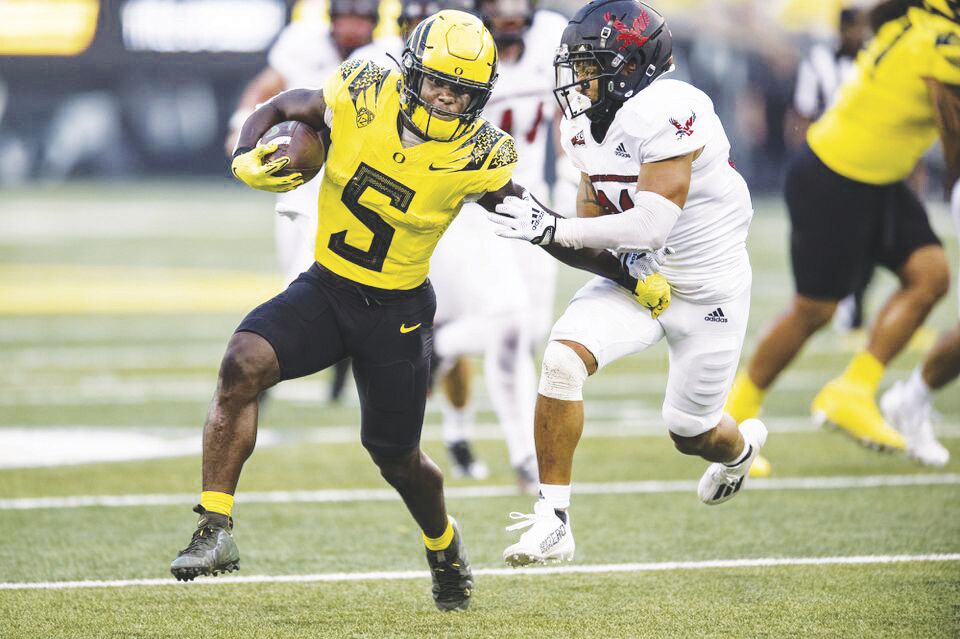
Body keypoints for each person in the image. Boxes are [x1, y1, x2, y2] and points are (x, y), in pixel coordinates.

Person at [169, 10, 529, 611]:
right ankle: (215, 527)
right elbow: (286, 106)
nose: (444, 100)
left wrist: (615, 262)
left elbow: (533, 219)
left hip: (400, 313)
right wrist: (242, 153)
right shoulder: (365, 86)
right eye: (437, 81)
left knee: (397, 458)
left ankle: (443, 545)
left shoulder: (483, 153)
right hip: (329, 289)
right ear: (412, 70)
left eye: (460, 90)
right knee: (242, 362)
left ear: (480, 95)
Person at [488, 0, 768, 566]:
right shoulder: (583, 124)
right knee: (562, 361)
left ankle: (740, 452)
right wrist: (559, 236)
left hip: (709, 291)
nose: (580, 79)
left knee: (692, 432)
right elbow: (591, 230)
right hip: (641, 279)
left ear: (634, 65)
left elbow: (651, 220)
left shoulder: (671, 107)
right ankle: (553, 521)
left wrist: (557, 227)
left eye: (592, 66)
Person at [725, 0, 960, 457]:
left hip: (876, 176)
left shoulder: (921, 22)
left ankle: (853, 389)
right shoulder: (941, 43)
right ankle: (732, 420)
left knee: (931, 275)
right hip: (836, 175)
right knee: (813, 311)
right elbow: (954, 138)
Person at [226, 0, 380, 402]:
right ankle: (339, 359)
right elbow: (267, 87)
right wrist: (238, 129)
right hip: (301, 179)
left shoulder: (382, 58)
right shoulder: (302, 42)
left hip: (353, 182)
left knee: (309, 276)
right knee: (295, 272)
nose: (352, 27)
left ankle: (258, 368)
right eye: (346, 17)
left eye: (361, 18)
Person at [790, 7, 871, 333]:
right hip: (828, 157)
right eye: (856, 28)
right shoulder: (818, 63)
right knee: (830, 234)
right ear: (842, 29)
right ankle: (834, 300)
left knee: (864, 234)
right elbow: (805, 114)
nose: (860, 36)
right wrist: (809, 161)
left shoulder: (874, 59)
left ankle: (853, 303)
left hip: (866, 157)